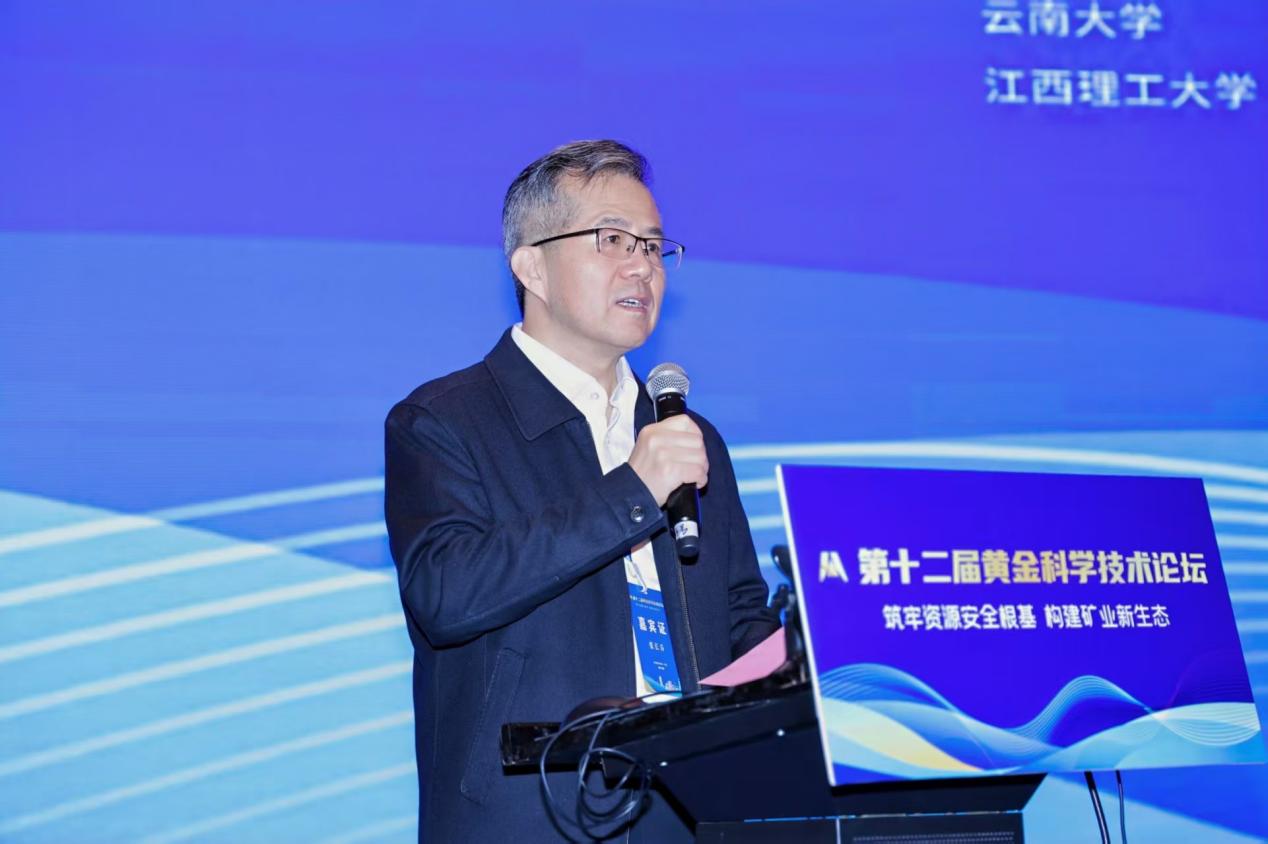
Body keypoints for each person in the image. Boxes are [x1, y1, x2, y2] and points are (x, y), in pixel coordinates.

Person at [385, 139, 779, 842]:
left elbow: (739, 614)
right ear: (531, 266)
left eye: (653, 246)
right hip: (526, 813)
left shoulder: (686, 435)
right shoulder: (444, 421)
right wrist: (634, 491)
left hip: (683, 812)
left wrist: (815, 657)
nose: (642, 266)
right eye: (612, 240)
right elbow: (446, 594)